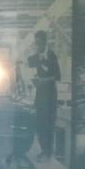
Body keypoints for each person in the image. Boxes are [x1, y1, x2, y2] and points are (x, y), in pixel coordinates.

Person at [27, 29, 60, 160]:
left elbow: (57, 76)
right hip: (40, 94)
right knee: (40, 124)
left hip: (50, 95)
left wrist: (43, 80)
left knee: (48, 125)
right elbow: (28, 63)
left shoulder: (51, 55)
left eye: (39, 43)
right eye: (36, 43)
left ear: (45, 43)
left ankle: (48, 152)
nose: (38, 46)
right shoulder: (37, 55)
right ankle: (44, 150)